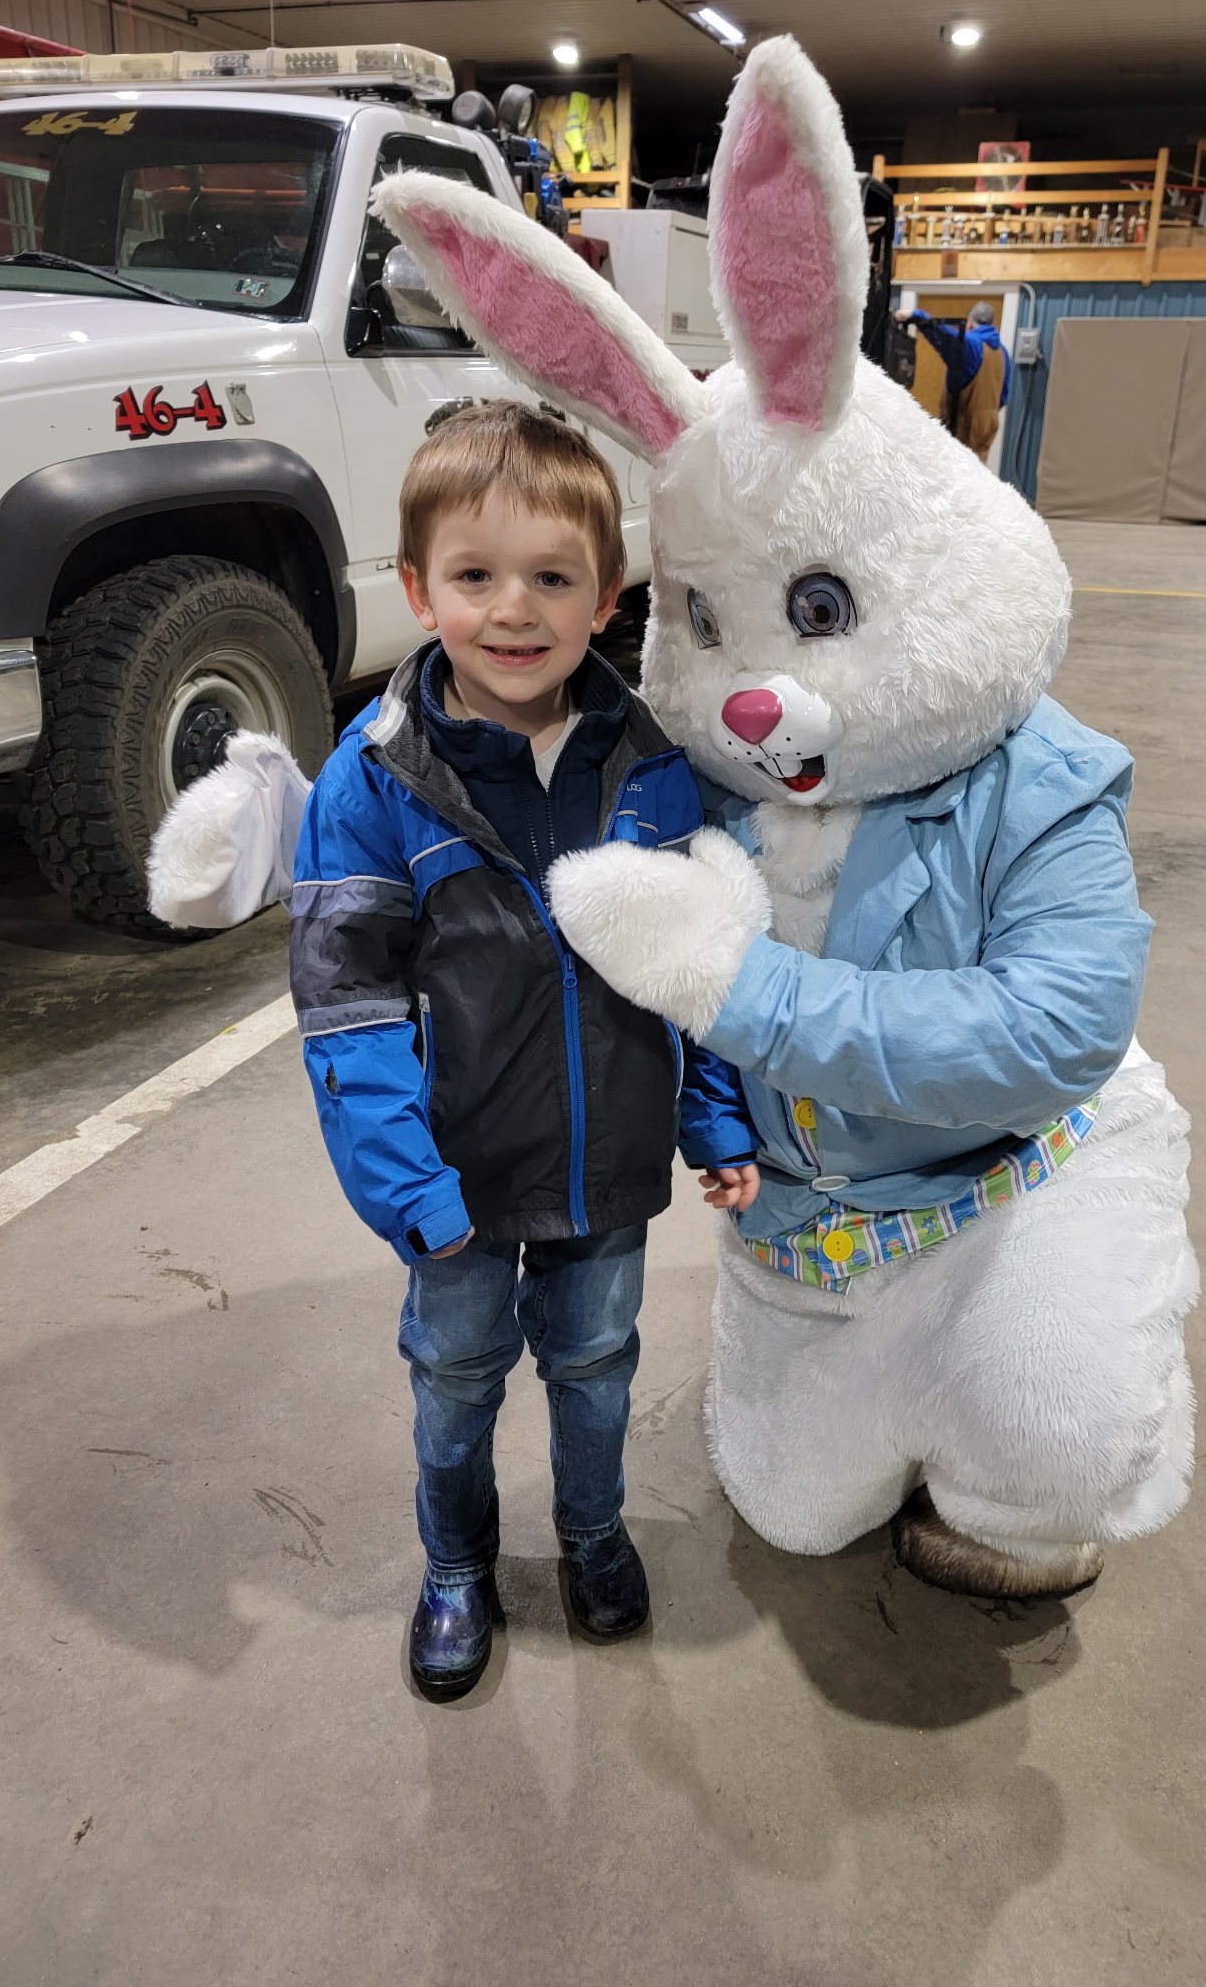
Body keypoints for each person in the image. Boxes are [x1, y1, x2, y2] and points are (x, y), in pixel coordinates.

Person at [289, 401, 760, 1699]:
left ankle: (595, 1534)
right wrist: (408, 1189)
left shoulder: (656, 769)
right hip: (455, 1178)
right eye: (475, 575)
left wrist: (717, 1119)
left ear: (607, 596)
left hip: (609, 1172)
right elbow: (346, 1010)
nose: (514, 609)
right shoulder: (372, 782)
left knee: (596, 1367)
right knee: (455, 1377)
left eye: (553, 578)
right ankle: (457, 1564)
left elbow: (700, 958)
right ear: (417, 589)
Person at [905, 298, 1007, 461]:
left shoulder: (971, 344)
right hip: (985, 432)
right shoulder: (1002, 353)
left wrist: (914, 315)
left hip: (962, 429)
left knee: (953, 468)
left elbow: (942, 332)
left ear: (970, 323)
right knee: (977, 469)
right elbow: (1003, 395)